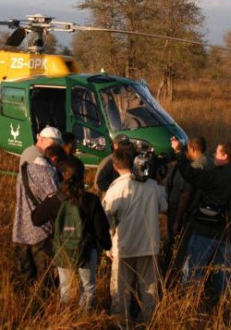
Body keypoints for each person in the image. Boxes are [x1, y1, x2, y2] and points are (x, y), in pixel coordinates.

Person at [31, 157, 112, 310]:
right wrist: (106, 246)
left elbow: (36, 219)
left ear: (62, 176)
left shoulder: (55, 200)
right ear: (82, 176)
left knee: (66, 290)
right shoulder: (91, 200)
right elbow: (101, 229)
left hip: (63, 251)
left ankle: (66, 316)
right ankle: (84, 316)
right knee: (88, 289)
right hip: (86, 252)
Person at [102, 147, 168, 326]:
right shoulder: (152, 185)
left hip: (123, 246)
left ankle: (121, 321)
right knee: (149, 286)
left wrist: (108, 247)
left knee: (121, 288)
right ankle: (149, 320)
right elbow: (164, 207)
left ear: (115, 166)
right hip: (149, 245)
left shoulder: (116, 188)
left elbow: (106, 219)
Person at [172, 139, 231, 295]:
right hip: (227, 233)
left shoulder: (218, 175)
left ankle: (188, 299)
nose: (213, 155)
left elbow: (192, 175)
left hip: (206, 230)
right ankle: (221, 302)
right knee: (222, 274)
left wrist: (179, 153)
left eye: (217, 152)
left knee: (193, 270)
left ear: (225, 156)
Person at [12, 126, 63, 283]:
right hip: (40, 228)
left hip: (22, 226)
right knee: (45, 277)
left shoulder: (28, 157)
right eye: (53, 145)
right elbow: (53, 197)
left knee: (26, 275)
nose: (55, 150)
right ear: (41, 140)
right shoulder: (40, 163)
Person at [164, 136, 213, 273]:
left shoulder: (195, 166)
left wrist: (177, 220)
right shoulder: (212, 163)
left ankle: (175, 275)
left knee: (181, 249)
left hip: (191, 215)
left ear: (192, 148)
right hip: (208, 215)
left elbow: (186, 196)